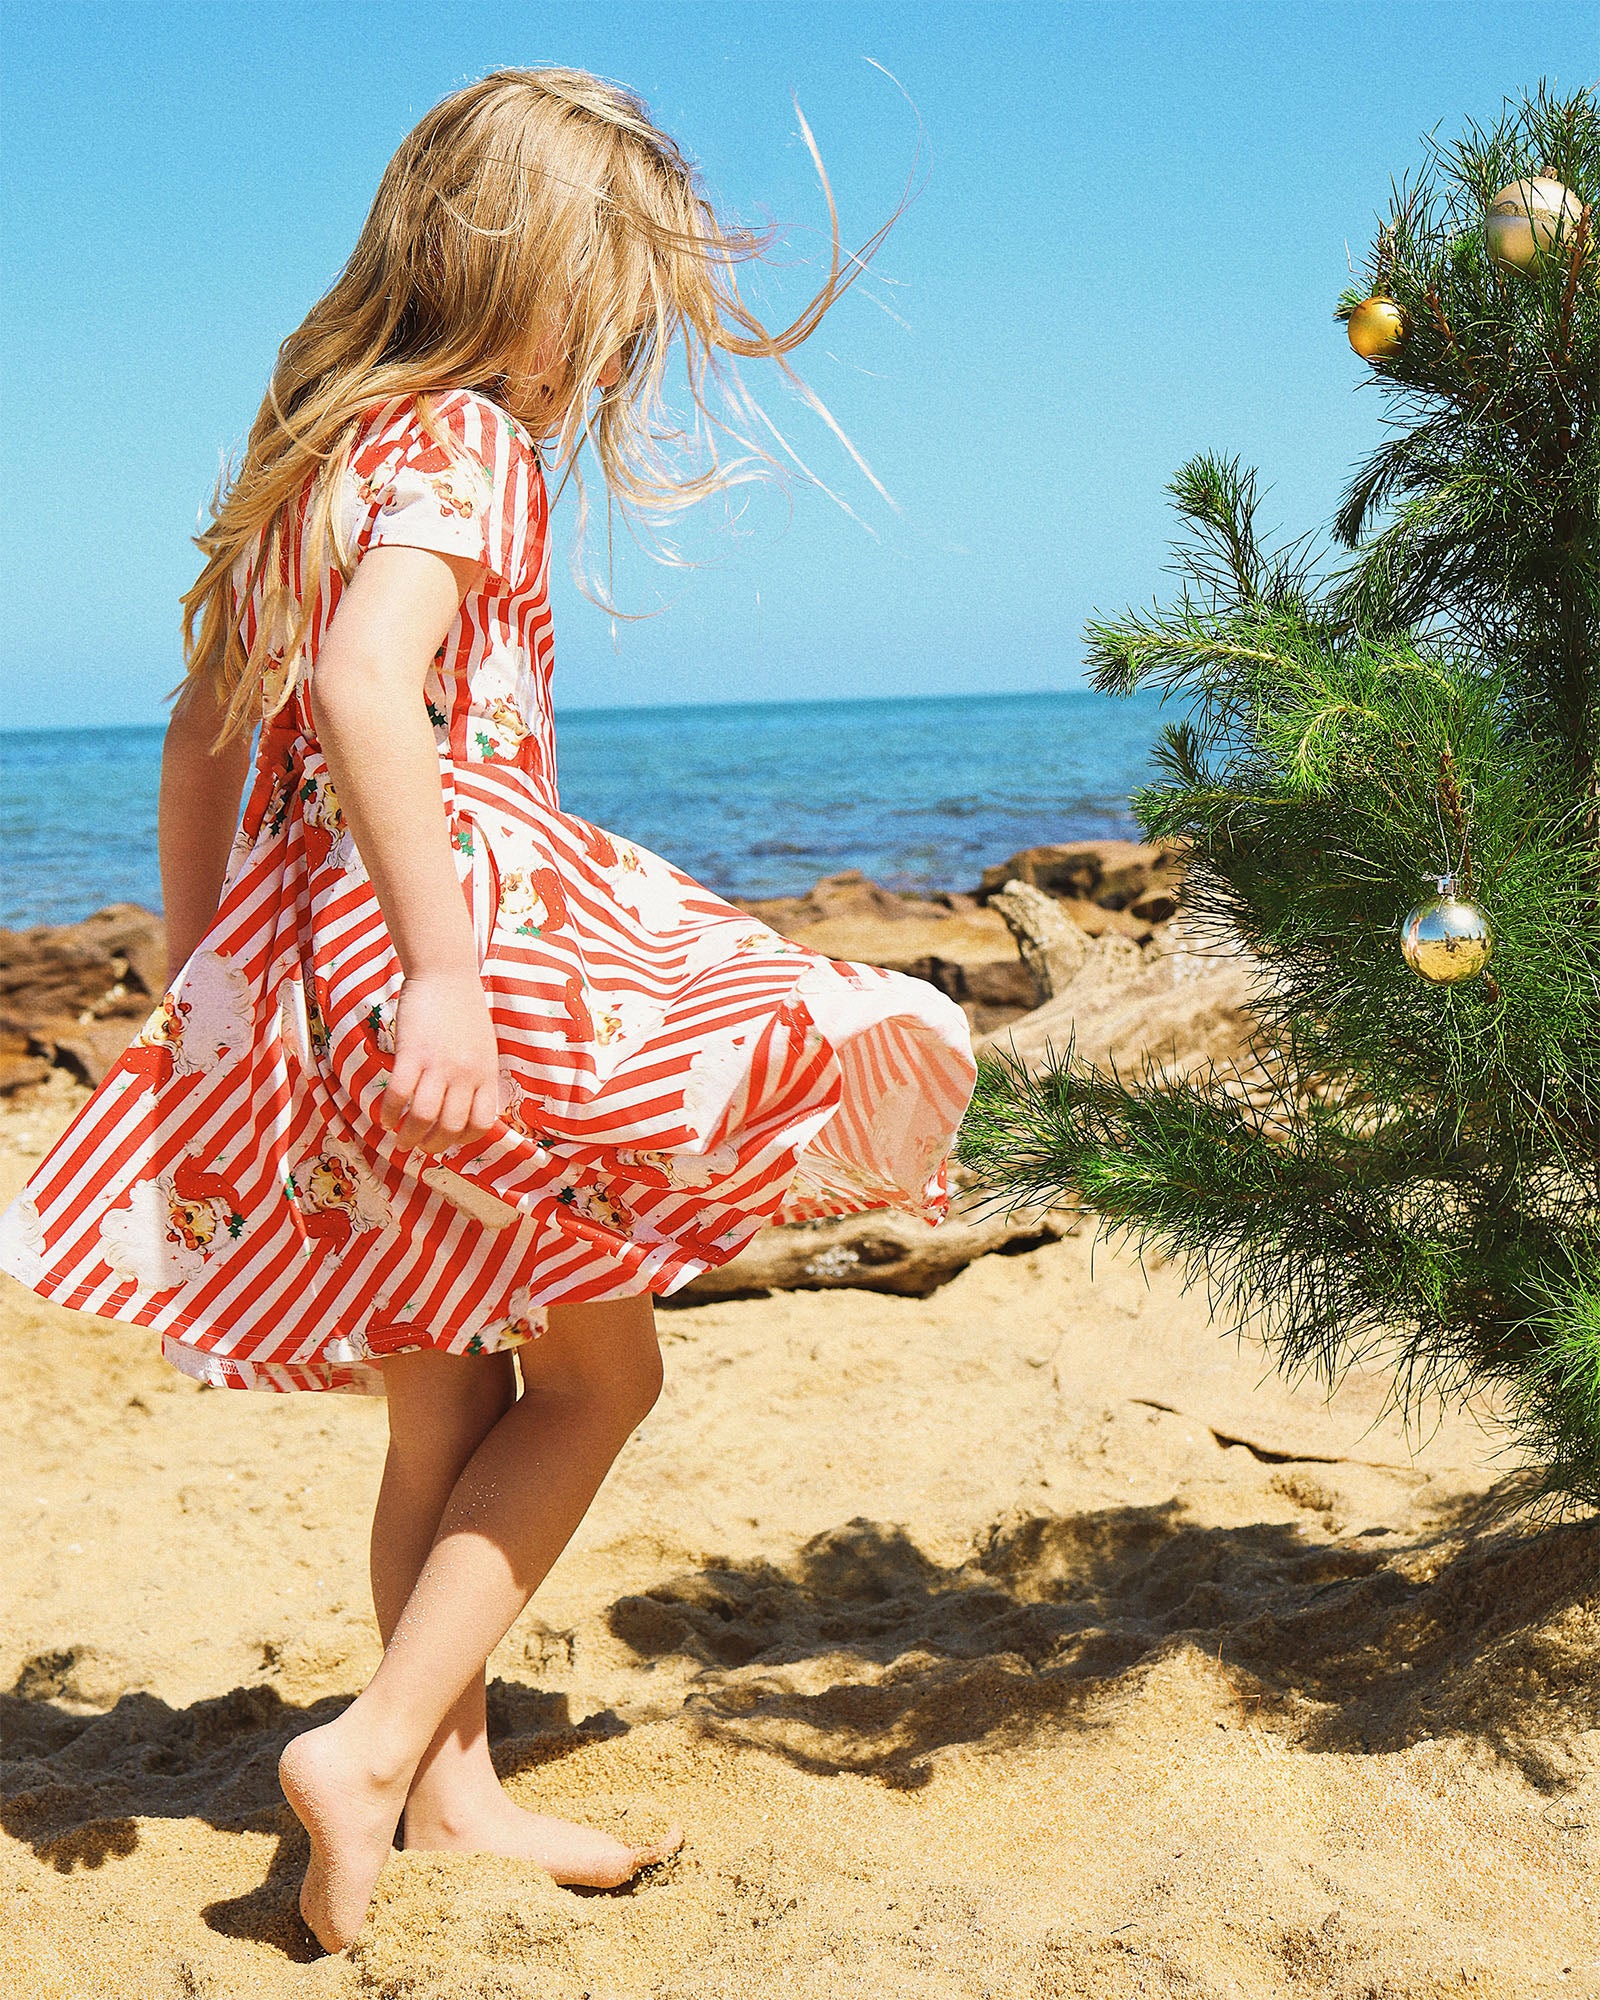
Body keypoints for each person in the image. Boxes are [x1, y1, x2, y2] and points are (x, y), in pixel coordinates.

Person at [0, 68, 975, 1951]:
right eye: (617, 285)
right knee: (609, 1368)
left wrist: (220, 990)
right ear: (533, 264)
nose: (627, 333)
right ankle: (368, 1751)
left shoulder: (299, 458)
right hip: (456, 955)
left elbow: (205, 746)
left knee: (437, 1417)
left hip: (300, 984)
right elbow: (373, 686)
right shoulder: (463, 444)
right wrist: (445, 972)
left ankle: (446, 1799)